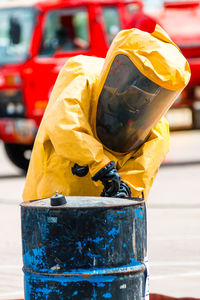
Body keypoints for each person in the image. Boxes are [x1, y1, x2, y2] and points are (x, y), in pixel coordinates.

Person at [22, 25, 190, 202]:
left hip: (105, 207)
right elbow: (64, 127)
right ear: (124, 75)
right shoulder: (83, 81)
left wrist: (127, 186)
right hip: (55, 197)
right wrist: (100, 164)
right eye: (143, 86)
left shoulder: (155, 125)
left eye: (152, 90)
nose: (144, 97)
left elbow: (146, 164)